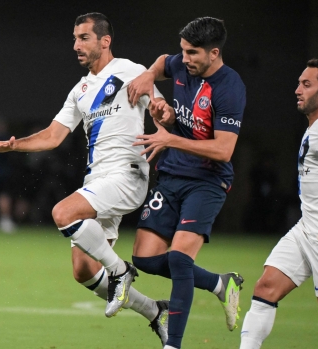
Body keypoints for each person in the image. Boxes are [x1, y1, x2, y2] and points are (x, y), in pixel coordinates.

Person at [0, 12, 170, 346]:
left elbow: (159, 106)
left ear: (105, 41)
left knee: (63, 213)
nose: (76, 45)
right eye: (74, 38)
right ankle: (154, 311)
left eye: (83, 38)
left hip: (127, 174)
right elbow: (53, 136)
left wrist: (160, 112)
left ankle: (120, 271)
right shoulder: (80, 90)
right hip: (98, 180)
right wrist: (15, 145)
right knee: (82, 270)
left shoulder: (131, 71)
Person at [126, 17, 246, 349]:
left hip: (207, 181)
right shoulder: (182, 64)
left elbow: (223, 149)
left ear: (214, 53)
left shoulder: (229, 87)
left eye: (192, 53)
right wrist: (150, 76)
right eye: (183, 50)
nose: (185, 58)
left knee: (179, 259)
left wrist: (170, 138)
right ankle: (222, 285)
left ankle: (172, 344)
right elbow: (164, 62)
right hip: (172, 174)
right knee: (145, 259)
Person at [239, 60, 318, 348]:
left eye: (306, 84)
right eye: (299, 83)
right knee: (266, 287)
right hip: (307, 228)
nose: (297, 90)